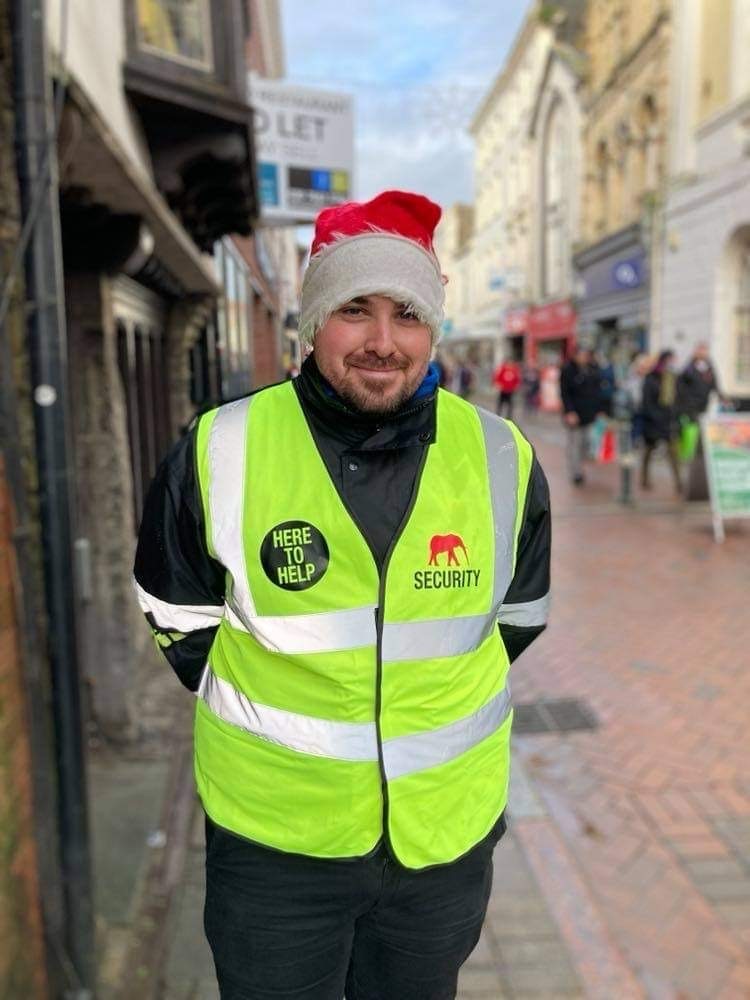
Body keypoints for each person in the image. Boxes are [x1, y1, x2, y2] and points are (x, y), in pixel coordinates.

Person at [133, 190, 551, 1000]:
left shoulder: (504, 455)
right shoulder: (222, 446)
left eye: (407, 314)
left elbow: (518, 619)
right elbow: (178, 617)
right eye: (355, 309)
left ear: (434, 329)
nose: (382, 342)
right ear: (313, 320)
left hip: (442, 844)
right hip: (275, 848)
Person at [559, 344, 604, 485]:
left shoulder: (592, 369)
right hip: (575, 415)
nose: (585, 358)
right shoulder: (567, 370)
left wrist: (599, 410)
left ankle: (580, 465)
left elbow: (597, 390)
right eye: (583, 355)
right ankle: (576, 472)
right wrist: (569, 412)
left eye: (587, 355)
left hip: (589, 414)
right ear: (576, 355)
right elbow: (564, 393)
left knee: (586, 443)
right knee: (575, 444)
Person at [641, 349, 682, 494]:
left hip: (669, 423)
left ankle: (679, 483)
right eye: (671, 360)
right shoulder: (650, 378)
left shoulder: (672, 378)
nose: (673, 364)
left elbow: (675, 399)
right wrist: (656, 419)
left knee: (674, 453)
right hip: (654, 422)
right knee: (648, 451)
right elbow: (646, 403)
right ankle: (644, 479)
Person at [677, 341, 721, 420]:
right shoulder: (690, 366)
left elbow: (714, 383)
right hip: (690, 404)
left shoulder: (709, 366)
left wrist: (720, 395)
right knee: (692, 426)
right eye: (700, 350)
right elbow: (682, 382)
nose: (702, 353)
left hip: (703, 402)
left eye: (704, 351)